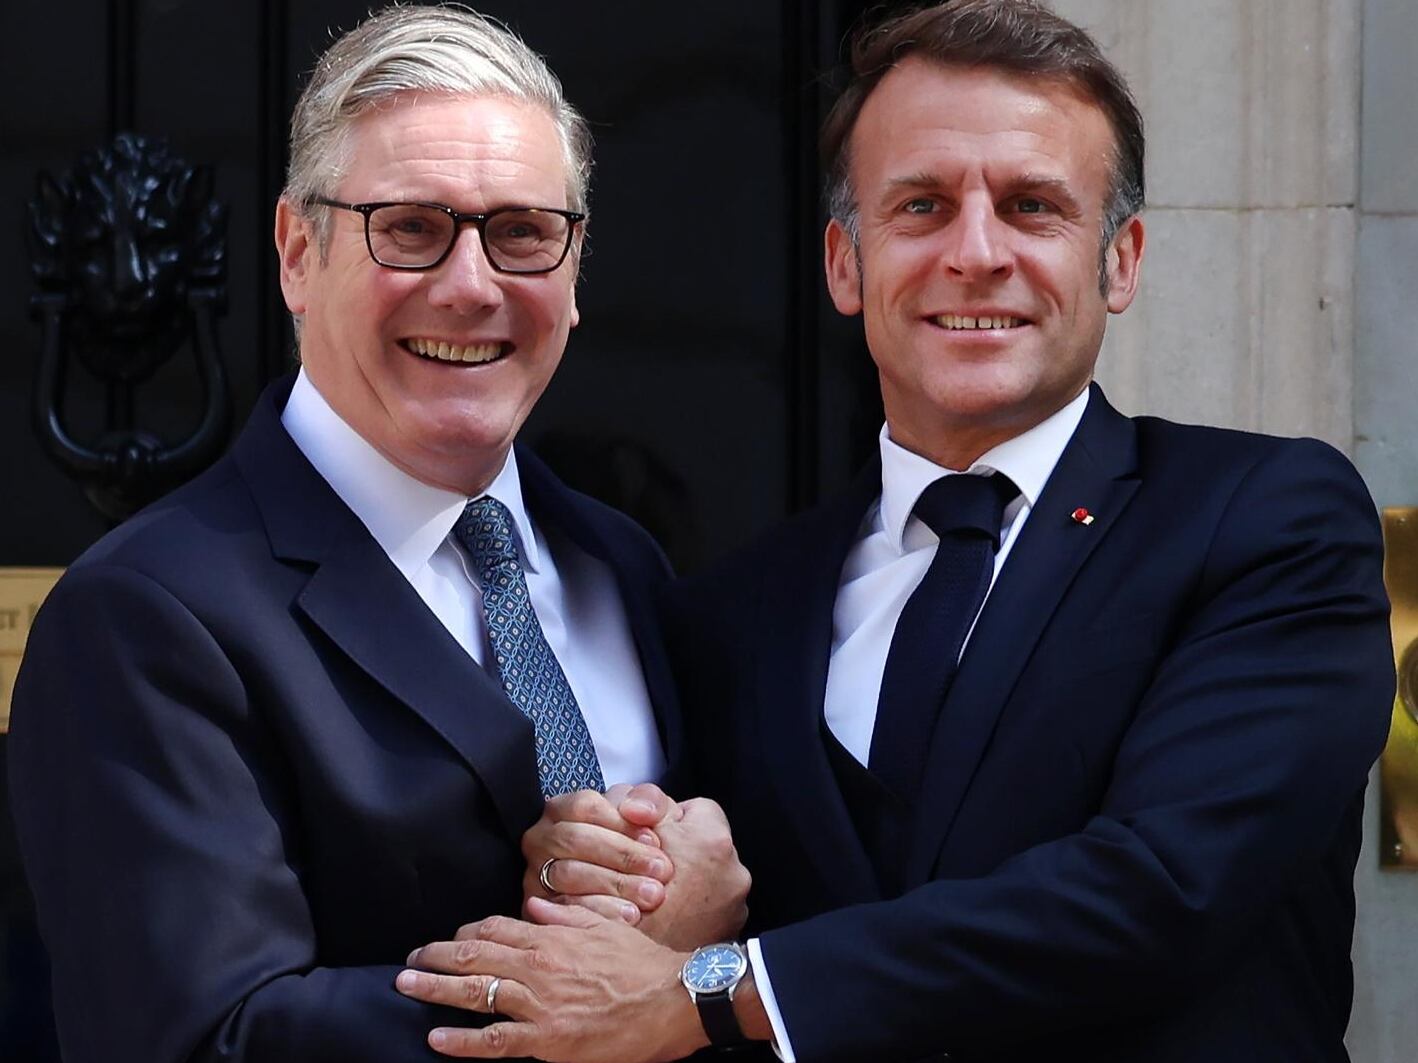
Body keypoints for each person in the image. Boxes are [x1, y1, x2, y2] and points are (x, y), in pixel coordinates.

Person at [389, 3, 1395, 1062]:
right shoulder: (734, 610)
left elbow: (1162, 889)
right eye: (919, 205)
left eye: (1030, 206)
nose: (974, 254)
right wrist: (610, 864)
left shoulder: (1266, 519)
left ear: (1120, 260)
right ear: (842, 262)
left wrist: (721, 988)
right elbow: (686, 897)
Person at [6, 6, 748, 1062]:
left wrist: (698, 940)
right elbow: (197, 1039)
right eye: (409, 226)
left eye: (523, 232)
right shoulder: (143, 611)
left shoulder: (618, 566)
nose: (471, 284)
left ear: (574, 272)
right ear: (297, 252)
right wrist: (656, 979)